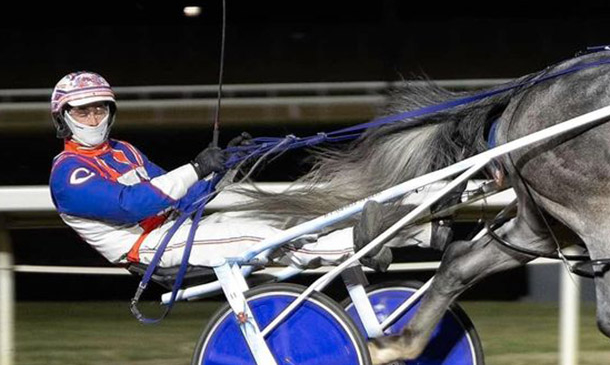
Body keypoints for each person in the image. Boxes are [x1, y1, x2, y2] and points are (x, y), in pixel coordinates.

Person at [48, 71, 410, 275]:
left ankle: (394, 234)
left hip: (179, 227)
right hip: (148, 249)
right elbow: (131, 205)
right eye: (83, 112)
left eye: (99, 109)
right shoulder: (68, 175)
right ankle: (354, 246)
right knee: (258, 237)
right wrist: (195, 167)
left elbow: (183, 198)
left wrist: (227, 166)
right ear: (63, 118)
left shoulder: (124, 151)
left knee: (275, 216)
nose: (93, 119)